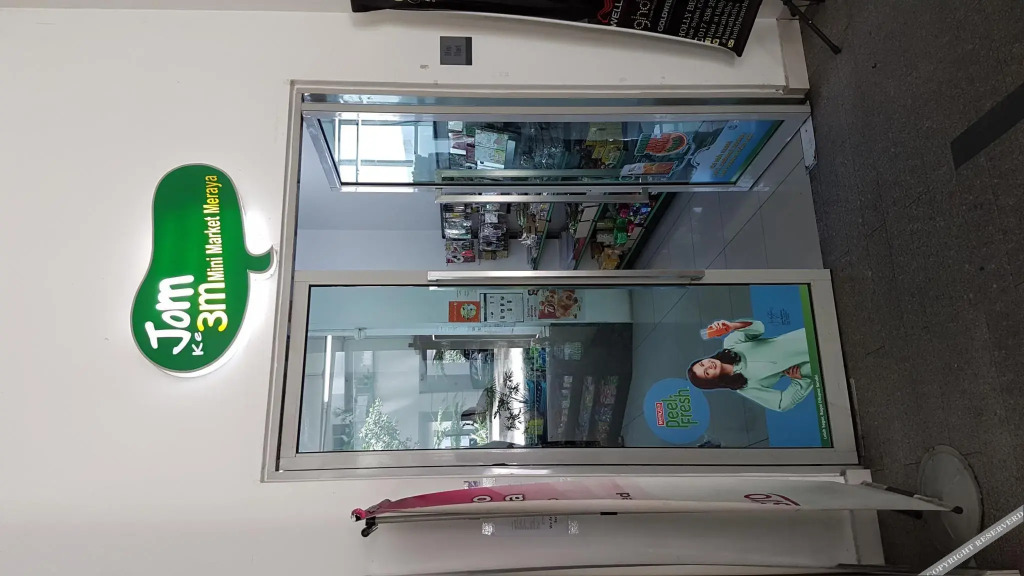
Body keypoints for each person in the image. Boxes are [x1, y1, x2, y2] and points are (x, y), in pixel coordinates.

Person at [687, 320, 815, 412]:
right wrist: (799, 382)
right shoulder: (745, 387)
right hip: (810, 365)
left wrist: (733, 326)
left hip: (804, 338)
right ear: (712, 381)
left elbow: (759, 328)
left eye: (702, 363)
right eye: (706, 372)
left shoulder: (731, 344)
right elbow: (781, 404)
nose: (708, 366)